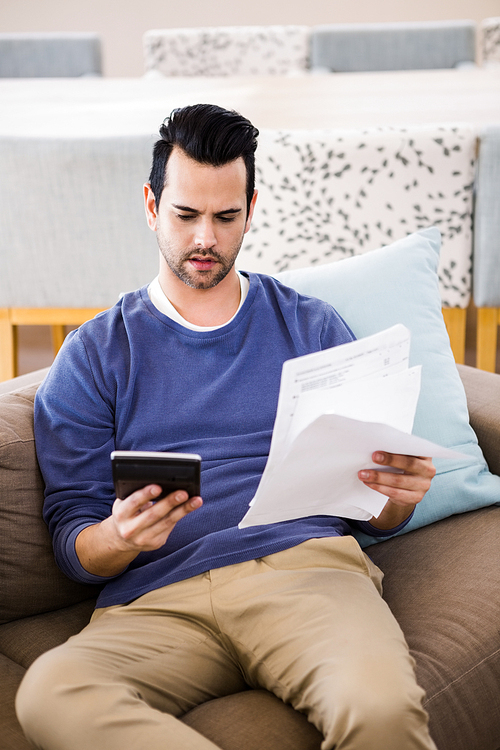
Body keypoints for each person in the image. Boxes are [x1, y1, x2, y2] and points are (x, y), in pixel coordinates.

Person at [16, 103, 437, 750]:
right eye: (186, 216)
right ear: (152, 205)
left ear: (252, 207)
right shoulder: (96, 354)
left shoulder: (312, 327)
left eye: (225, 216)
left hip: (305, 571)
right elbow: (75, 542)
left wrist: (391, 499)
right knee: (50, 693)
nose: (205, 238)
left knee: (379, 711)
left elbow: (371, 512)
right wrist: (120, 535)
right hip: (156, 599)